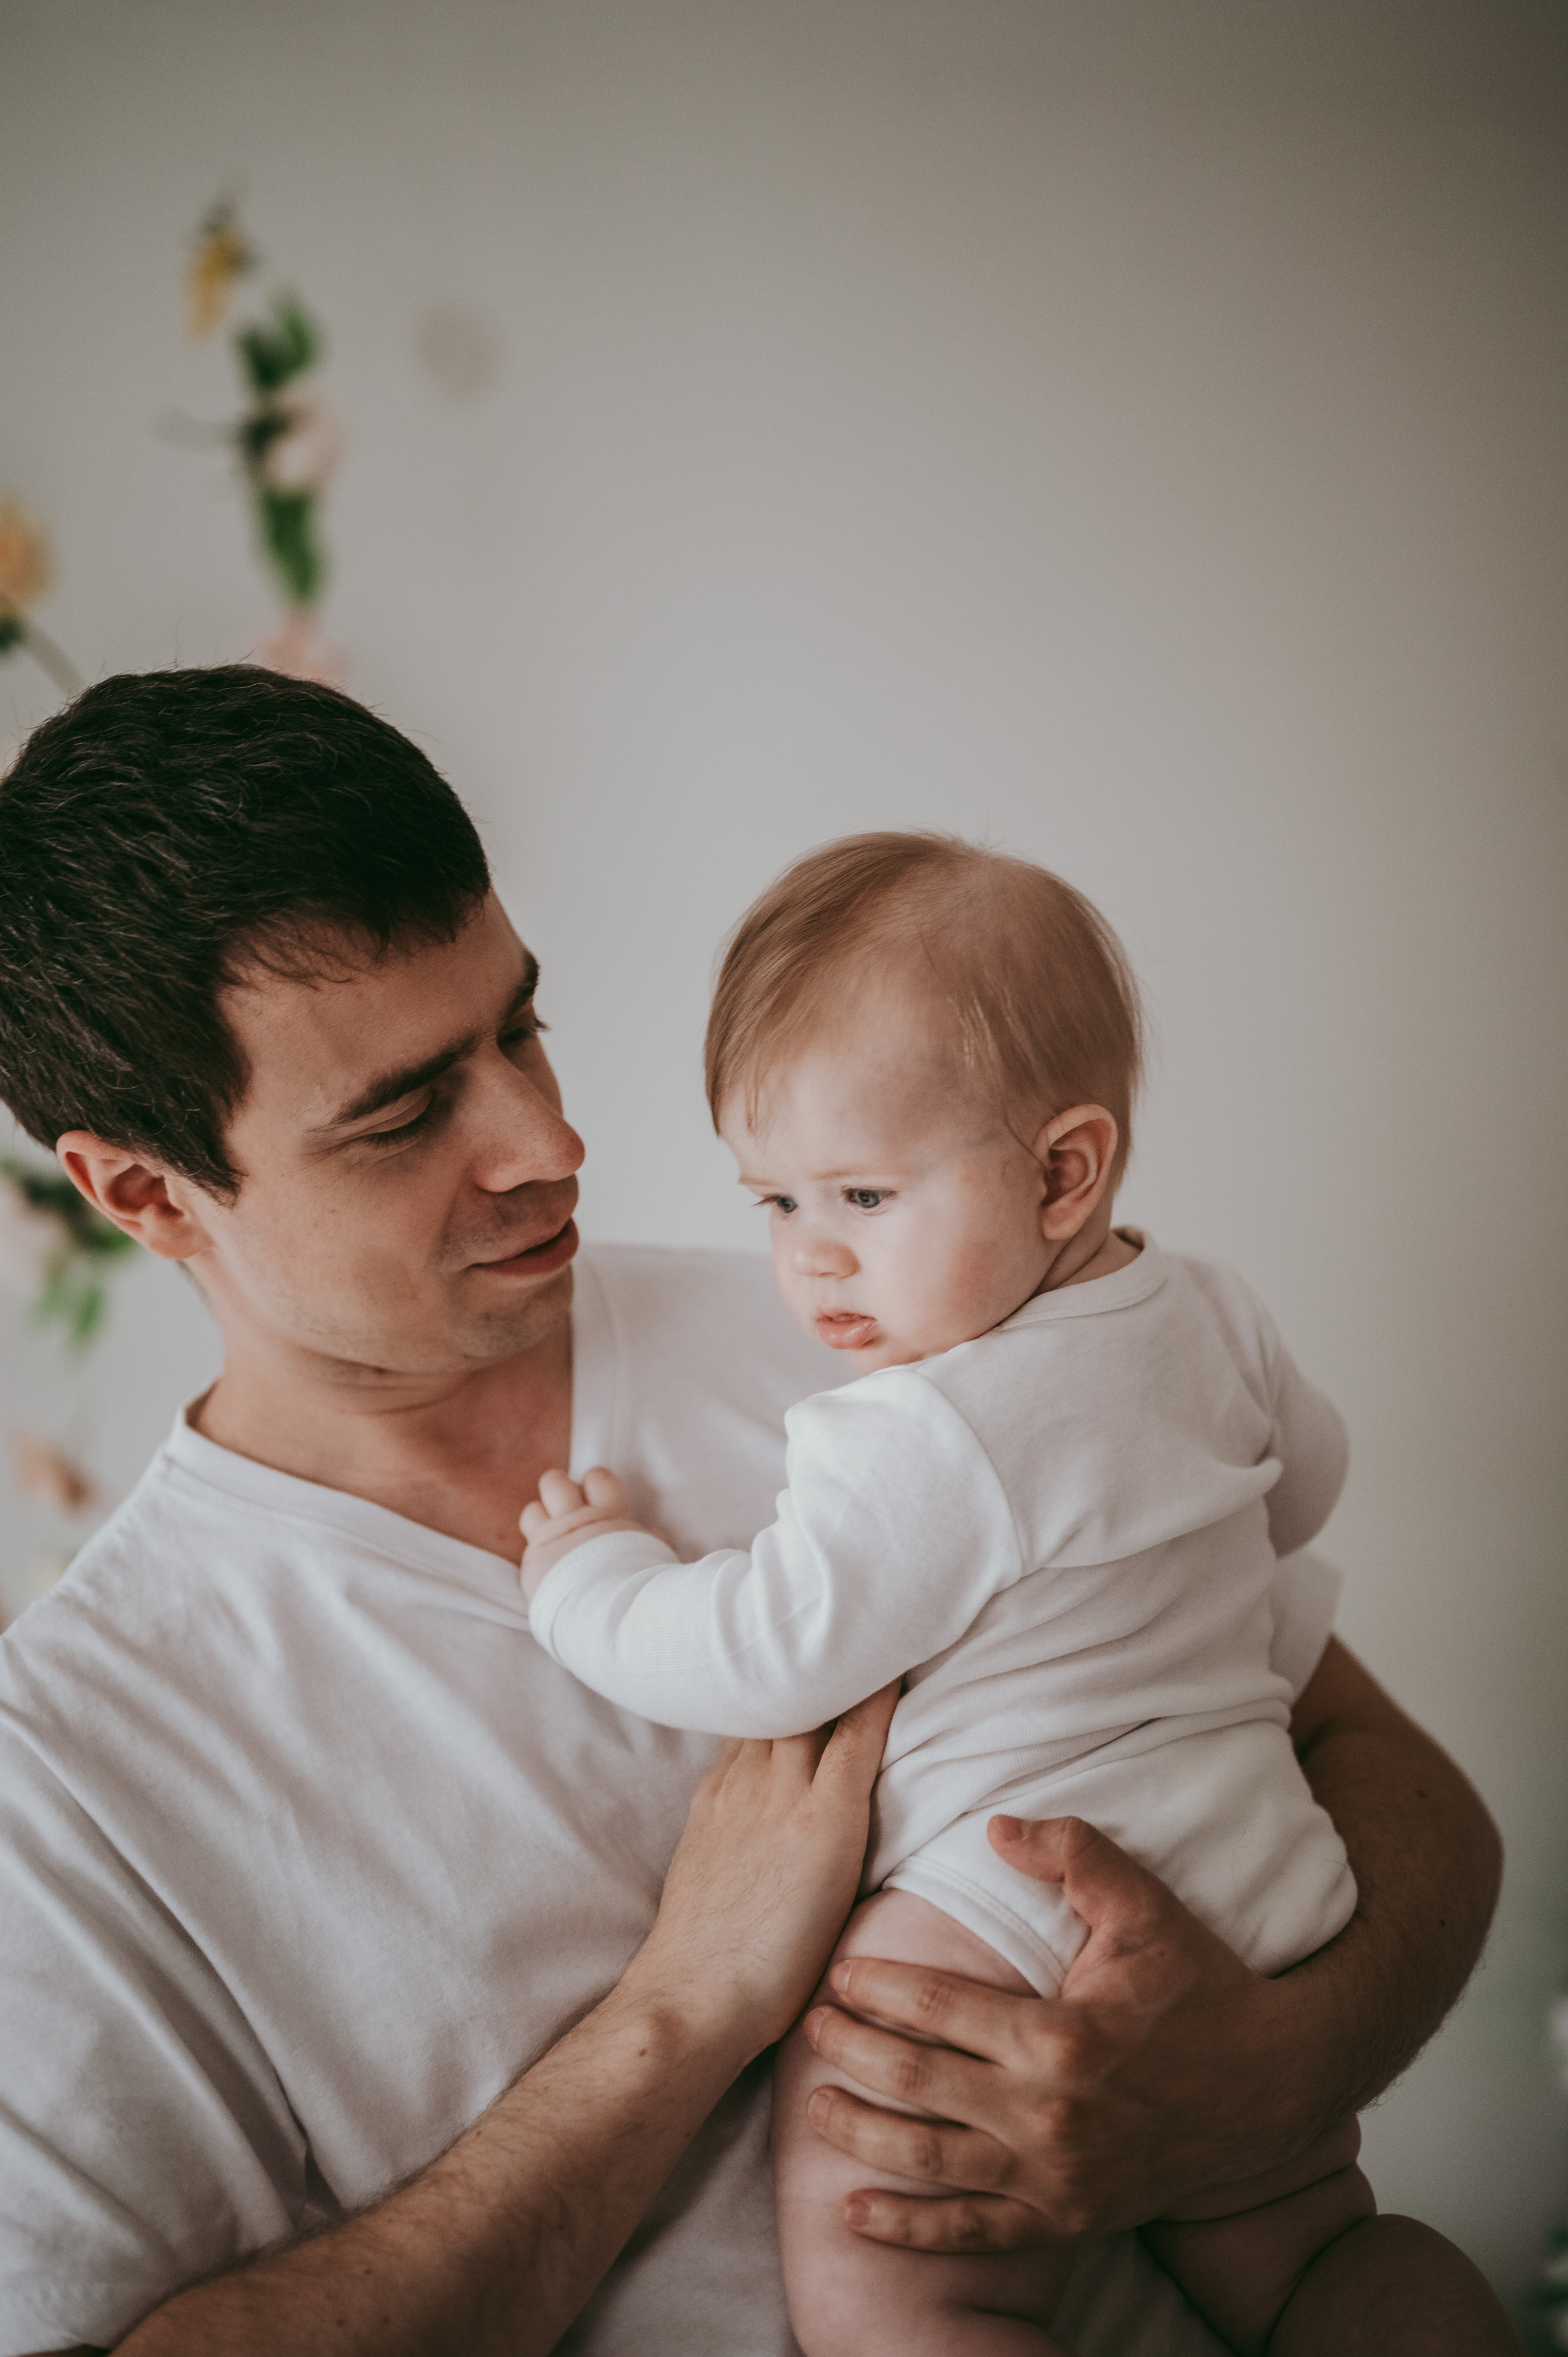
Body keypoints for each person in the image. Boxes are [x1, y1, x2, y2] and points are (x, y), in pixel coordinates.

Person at [0, 668, 1506, 2357]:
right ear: (145, 1192)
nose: (551, 1139)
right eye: (408, 1112)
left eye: (521, 1027)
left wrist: (1270, 2073)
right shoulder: (69, 1767)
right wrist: (681, 2008)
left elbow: (1380, 1777)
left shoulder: (909, 1330)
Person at [515, 832, 1507, 2354]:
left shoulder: (916, 1429)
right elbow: (1300, 1488)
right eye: (774, 1202)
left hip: (1014, 1905)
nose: (812, 1261)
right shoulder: (1210, 1306)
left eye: (862, 1193)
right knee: (1316, 2248)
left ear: (1060, 1172)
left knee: (889, 2282)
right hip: (1261, 1868)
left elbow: (766, 1650)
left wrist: (589, 1574)